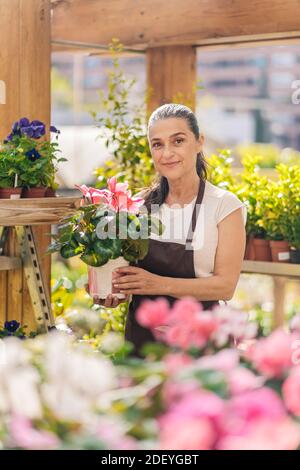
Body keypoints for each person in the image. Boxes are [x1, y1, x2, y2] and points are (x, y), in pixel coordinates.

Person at [92, 103, 247, 357]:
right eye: (157, 144)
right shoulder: (138, 207)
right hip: (143, 344)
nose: (167, 153)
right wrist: (110, 291)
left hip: (200, 346)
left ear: (199, 142)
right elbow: (125, 272)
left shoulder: (224, 206)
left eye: (178, 141)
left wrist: (156, 284)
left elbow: (225, 286)